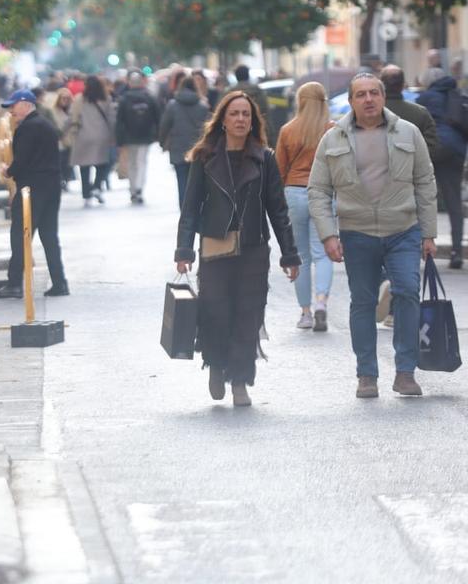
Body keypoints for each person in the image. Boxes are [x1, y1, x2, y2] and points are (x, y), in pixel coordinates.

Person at [309, 73, 437, 399]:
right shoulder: (333, 139)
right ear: (351, 101)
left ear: (383, 97)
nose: (368, 99)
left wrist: (429, 233)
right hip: (357, 232)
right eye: (361, 95)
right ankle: (366, 374)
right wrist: (328, 235)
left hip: (403, 230)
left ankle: (405, 372)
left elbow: (425, 181)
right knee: (363, 302)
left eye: (374, 93)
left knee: (408, 292)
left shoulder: (408, 133)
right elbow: (318, 190)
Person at [175, 92, 300, 408]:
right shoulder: (204, 158)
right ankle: (216, 364)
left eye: (246, 114)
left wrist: (289, 253)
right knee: (216, 311)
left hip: (254, 247)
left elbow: (278, 209)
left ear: (253, 120)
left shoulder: (265, 158)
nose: (241, 119)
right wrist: (184, 250)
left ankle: (241, 380)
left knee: (249, 314)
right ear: (223, 120)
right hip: (215, 247)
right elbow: (190, 208)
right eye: (235, 114)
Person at [0, 89, 69, 298]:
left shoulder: (27, 128)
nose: (11, 111)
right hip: (51, 186)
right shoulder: (45, 125)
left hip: (31, 189)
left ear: (27, 105)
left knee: (20, 235)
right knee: (49, 235)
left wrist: (8, 171)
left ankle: (14, 283)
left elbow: (22, 161)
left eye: (13, 106)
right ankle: (59, 282)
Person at [275, 83, 335, 331]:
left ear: (300, 101)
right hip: (323, 193)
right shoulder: (332, 130)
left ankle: (306, 313)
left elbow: (279, 168)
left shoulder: (288, 130)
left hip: (294, 192)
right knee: (323, 254)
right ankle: (321, 302)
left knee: (300, 255)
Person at [416, 68, 466, 269]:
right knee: (454, 202)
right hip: (456, 151)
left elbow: (415, 126)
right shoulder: (458, 96)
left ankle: (422, 246)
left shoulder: (425, 98)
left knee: (422, 197)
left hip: (432, 149)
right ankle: (456, 252)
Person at [160, 77, 211, 208]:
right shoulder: (202, 106)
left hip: (178, 148)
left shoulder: (172, 105)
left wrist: (162, 142)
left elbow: (165, 125)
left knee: (181, 180)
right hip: (197, 149)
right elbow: (208, 128)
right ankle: (196, 207)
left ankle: (184, 209)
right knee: (196, 181)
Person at [67, 75, 116, 205]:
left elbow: (72, 116)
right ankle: (96, 186)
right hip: (102, 135)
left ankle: (86, 193)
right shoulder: (106, 98)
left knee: (84, 166)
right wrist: (113, 135)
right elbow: (111, 118)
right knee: (103, 163)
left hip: (83, 135)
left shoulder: (79, 99)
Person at [115, 71, 161, 205]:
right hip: (145, 136)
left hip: (129, 136)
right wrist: (158, 134)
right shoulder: (149, 97)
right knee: (142, 162)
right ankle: (139, 188)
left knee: (131, 163)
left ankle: (133, 189)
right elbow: (157, 117)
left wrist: (119, 139)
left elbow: (119, 121)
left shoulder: (124, 99)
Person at [381, 65, 437, 158]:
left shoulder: (368, 112)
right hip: (411, 170)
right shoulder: (421, 113)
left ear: (381, 86)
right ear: (403, 85)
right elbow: (430, 147)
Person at [230, 65, 273, 145]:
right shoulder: (258, 92)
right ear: (248, 75)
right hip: (257, 135)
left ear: (236, 77)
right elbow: (266, 114)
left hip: (234, 137)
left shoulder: (229, 93)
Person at [51, 88, 75, 191]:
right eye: (63, 98)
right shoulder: (54, 111)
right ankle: (61, 181)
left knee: (69, 163)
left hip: (71, 141)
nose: (65, 100)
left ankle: (66, 180)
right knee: (60, 162)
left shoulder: (72, 110)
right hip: (59, 141)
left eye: (67, 98)